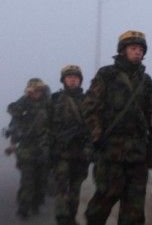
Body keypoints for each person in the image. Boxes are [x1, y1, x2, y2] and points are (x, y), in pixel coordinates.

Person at [82, 31, 152, 225]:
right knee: (104, 199)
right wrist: (96, 135)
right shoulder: (106, 75)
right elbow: (89, 107)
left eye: (140, 49)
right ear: (122, 51)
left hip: (138, 152)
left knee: (134, 208)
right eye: (133, 48)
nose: (137, 52)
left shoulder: (145, 82)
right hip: (110, 150)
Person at [48, 65, 90, 225]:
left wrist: (89, 148)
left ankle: (71, 217)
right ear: (64, 80)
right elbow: (47, 126)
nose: (73, 80)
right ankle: (62, 219)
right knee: (61, 188)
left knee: (75, 190)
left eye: (76, 77)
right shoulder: (55, 100)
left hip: (80, 154)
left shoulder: (88, 100)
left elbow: (93, 127)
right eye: (69, 77)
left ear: (80, 80)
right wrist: (50, 149)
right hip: (61, 154)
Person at [5, 78, 50, 219]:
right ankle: (23, 208)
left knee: (41, 180)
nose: (36, 93)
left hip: (44, 148)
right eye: (33, 90)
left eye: (39, 90)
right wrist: (12, 145)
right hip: (27, 150)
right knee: (27, 180)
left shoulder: (49, 104)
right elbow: (12, 112)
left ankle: (36, 203)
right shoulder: (23, 105)